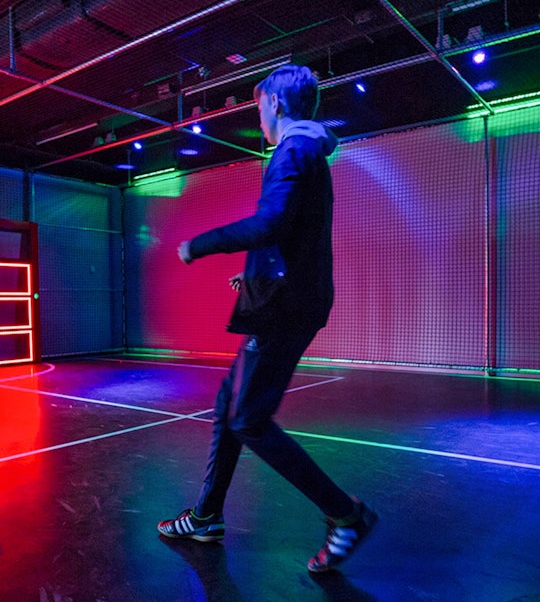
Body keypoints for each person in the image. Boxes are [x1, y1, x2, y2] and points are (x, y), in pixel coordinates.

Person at [157, 64, 376, 573]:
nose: (257, 116)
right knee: (228, 403)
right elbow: (291, 236)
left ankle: (346, 515)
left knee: (248, 419)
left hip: (284, 306)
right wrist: (251, 276)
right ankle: (208, 517)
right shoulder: (305, 150)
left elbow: (272, 222)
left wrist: (201, 244)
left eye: (258, 106)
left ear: (275, 104)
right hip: (280, 297)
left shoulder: (293, 149)